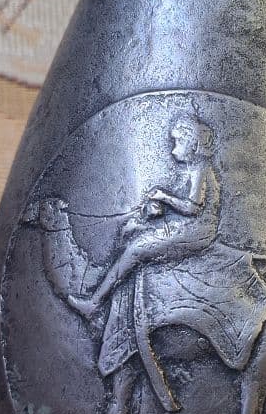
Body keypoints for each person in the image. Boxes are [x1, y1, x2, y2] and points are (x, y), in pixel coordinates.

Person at [68, 115, 220, 322]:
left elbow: (193, 208)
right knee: (131, 230)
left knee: (135, 249)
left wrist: (164, 197)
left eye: (178, 142)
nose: (173, 148)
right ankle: (118, 306)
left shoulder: (199, 170)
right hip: (187, 226)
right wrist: (158, 207)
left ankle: (94, 304)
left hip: (197, 232)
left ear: (192, 145)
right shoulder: (192, 169)